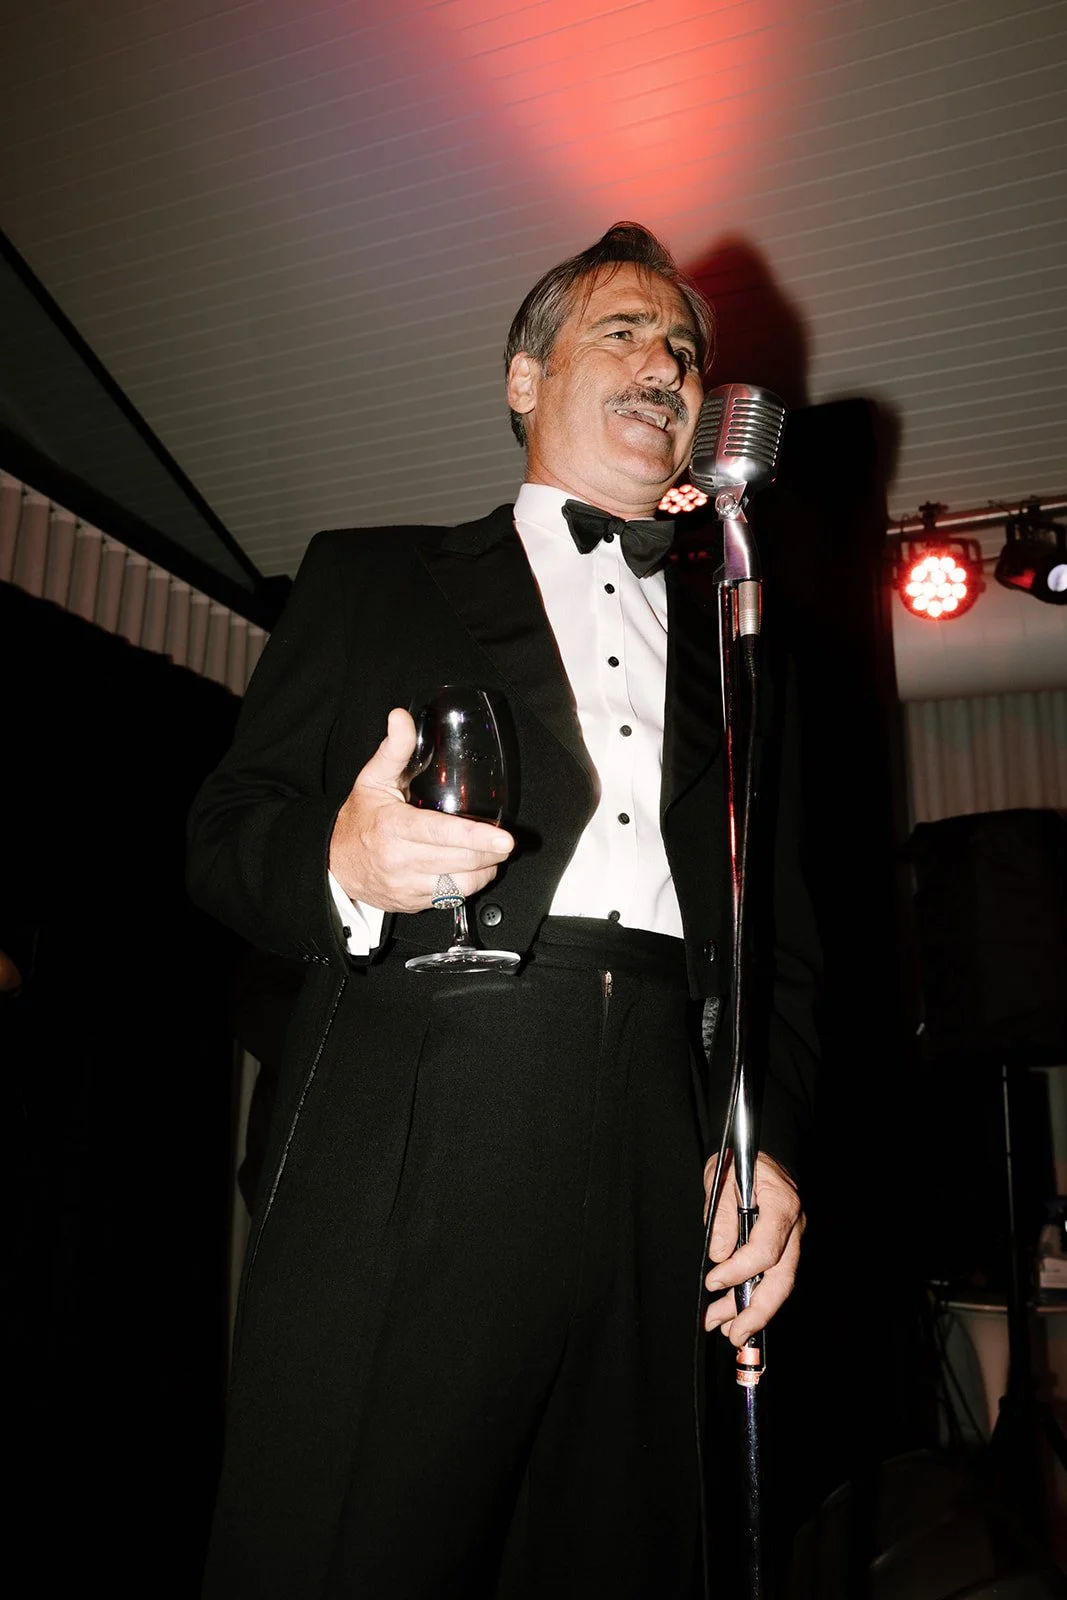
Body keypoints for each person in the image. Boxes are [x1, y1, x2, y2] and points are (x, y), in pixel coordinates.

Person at [187, 222, 820, 1599]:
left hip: (664, 1128)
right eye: (622, 332)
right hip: (426, 1098)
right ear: (525, 379)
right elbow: (224, 837)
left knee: (621, 1552)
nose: (665, 364)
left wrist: (765, 1149)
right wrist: (345, 860)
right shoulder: (368, 577)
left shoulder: (738, 643)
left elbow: (781, 946)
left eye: (683, 350)